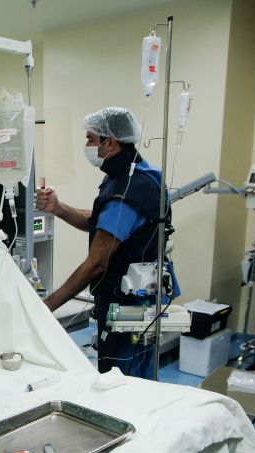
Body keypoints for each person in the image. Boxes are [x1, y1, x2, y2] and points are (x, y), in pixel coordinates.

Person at [36, 107, 163, 377]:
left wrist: (48, 306)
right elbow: (100, 221)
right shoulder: (134, 174)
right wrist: (58, 208)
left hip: (127, 308)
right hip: (131, 298)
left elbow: (96, 263)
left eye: (91, 139)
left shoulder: (127, 192)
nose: (87, 146)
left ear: (111, 142)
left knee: (121, 380)